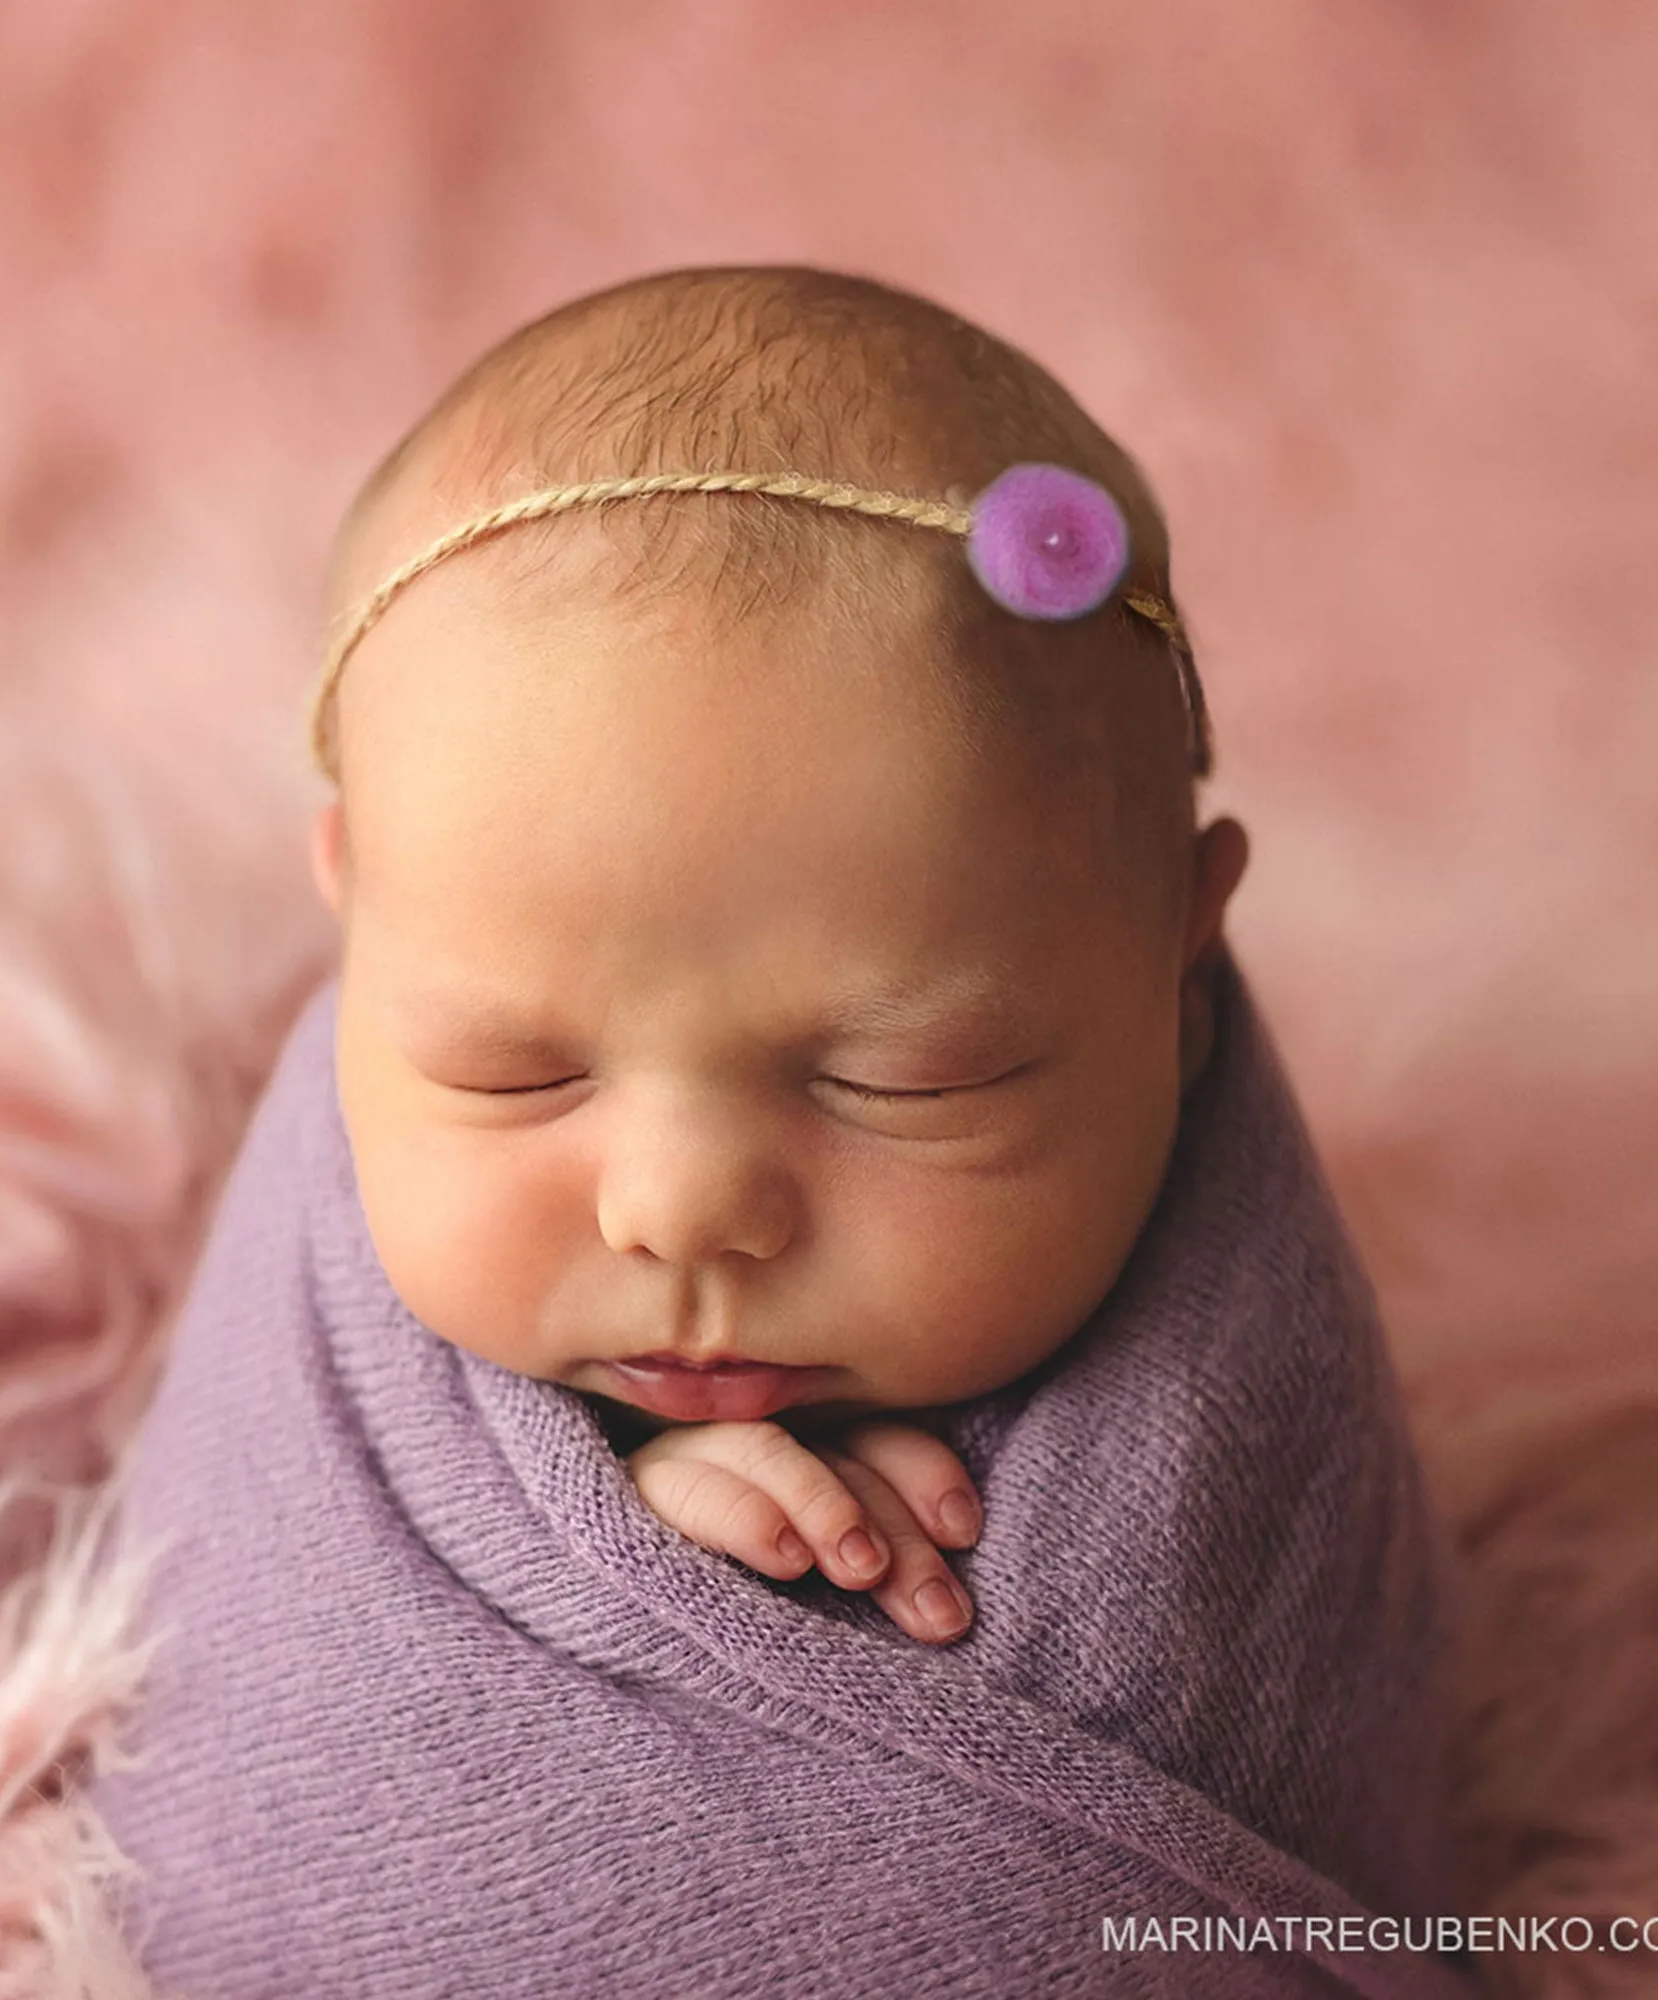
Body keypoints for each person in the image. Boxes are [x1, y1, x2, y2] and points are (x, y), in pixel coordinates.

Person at [92, 265, 1470, 1998]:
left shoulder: (1236, 1403)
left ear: (1171, 960)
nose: (682, 1213)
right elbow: (261, 1668)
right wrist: (626, 1531)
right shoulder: (338, 1199)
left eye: (898, 1082)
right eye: (516, 1071)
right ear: (354, 907)